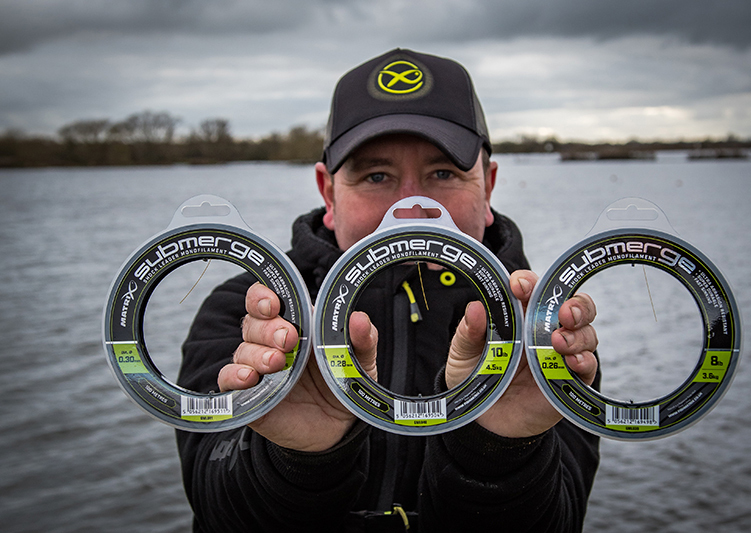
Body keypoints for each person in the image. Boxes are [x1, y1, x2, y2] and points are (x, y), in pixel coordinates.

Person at [176, 48, 600, 532]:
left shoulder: (542, 327)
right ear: (328, 193)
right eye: (376, 176)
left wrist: (498, 446)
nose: (411, 207)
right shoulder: (248, 311)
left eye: (444, 173)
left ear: (488, 185)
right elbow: (216, 510)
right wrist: (298, 458)